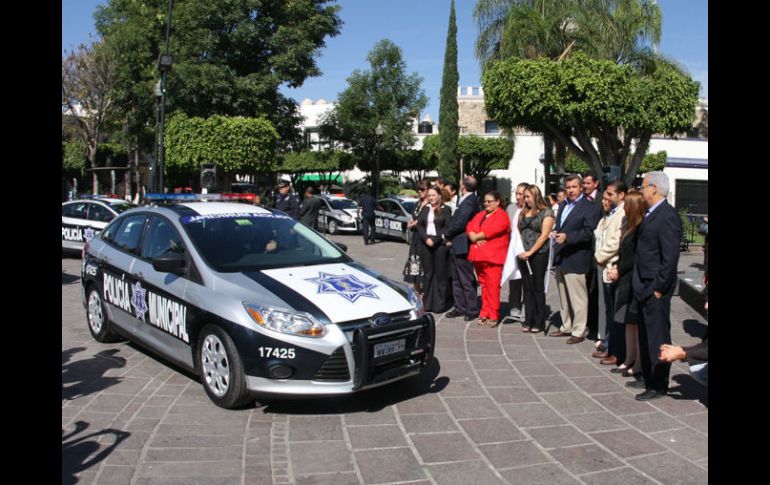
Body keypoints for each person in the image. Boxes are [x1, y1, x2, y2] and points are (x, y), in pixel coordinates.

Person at [627, 171, 682, 401]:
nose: (641, 190)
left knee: (657, 335)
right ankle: (647, 376)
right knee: (645, 335)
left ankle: (658, 384)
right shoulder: (650, 213)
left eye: (643, 186)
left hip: (654, 288)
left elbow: (669, 258)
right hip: (642, 285)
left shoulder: (667, 216)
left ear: (654, 189)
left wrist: (659, 287)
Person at [550, 174, 603, 344]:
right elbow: (561, 226)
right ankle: (567, 326)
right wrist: (555, 233)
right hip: (562, 256)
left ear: (581, 187)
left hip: (577, 257)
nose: (571, 190)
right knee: (564, 295)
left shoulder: (589, 207)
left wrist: (568, 237)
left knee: (578, 297)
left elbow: (589, 232)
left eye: (574, 187)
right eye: (568, 187)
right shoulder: (563, 205)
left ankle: (579, 330)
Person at [607, 191, 645, 379]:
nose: (625, 208)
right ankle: (629, 358)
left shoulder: (640, 227)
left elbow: (635, 256)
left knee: (635, 323)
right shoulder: (626, 224)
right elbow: (623, 252)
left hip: (632, 278)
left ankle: (638, 362)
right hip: (623, 277)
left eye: (628, 204)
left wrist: (619, 269)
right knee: (627, 322)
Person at [593, 181, 627, 366]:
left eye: (610, 194)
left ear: (621, 195)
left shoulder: (623, 213)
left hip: (612, 266)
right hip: (605, 267)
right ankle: (610, 346)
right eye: (605, 194)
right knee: (608, 310)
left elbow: (616, 241)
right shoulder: (611, 213)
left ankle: (616, 351)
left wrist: (599, 256)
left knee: (615, 312)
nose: (606, 197)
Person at [467, 190, 511, 327]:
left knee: (492, 287)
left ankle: (493, 314)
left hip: (493, 257)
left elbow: (494, 230)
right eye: (485, 201)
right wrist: (472, 235)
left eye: (489, 201)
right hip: (478, 256)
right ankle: (484, 312)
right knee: (484, 286)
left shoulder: (502, 216)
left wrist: (477, 236)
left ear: (498, 202)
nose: (486, 204)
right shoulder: (481, 214)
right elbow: (469, 225)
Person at [516, 185, 555, 333]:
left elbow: (544, 235)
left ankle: (539, 321)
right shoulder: (523, 212)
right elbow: (520, 230)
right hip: (523, 254)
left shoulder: (547, 213)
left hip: (538, 254)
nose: (525, 200)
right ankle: (528, 318)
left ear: (536, 196)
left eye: (528, 197)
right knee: (527, 287)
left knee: (538, 286)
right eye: (524, 197)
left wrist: (531, 251)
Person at [442, 176, 480, 321]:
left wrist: (446, 234)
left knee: (466, 278)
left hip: (463, 243)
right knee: (456, 278)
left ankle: (471, 308)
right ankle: (460, 306)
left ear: (463, 186)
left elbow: (460, 222)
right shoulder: (465, 200)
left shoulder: (469, 201)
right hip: (457, 243)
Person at [416, 187, 453, 313]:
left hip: (440, 244)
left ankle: (439, 304)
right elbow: (420, 225)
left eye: (433, 195)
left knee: (440, 275)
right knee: (428, 274)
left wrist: (436, 240)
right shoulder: (425, 209)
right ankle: (428, 303)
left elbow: (447, 227)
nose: (431, 197)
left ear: (439, 196)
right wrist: (426, 239)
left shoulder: (446, 210)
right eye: (429, 195)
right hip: (426, 244)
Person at [582, 171, 602, 349]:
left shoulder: (600, 201)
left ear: (595, 184)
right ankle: (589, 323)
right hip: (585, 252)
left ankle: (596, 327)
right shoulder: (583, 200)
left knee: (596, 291)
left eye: (588, 183)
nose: (585, 186)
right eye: (584, 183)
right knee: (588, 290)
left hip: (598, 251)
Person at [504, 182, 529, 322]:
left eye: (521, 194)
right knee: (514, 279)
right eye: (517, 193)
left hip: (525, 249)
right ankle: (514, 307)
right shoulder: (511, 208)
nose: (518, 197)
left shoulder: (531, 209)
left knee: (526, 279)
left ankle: (527, 308)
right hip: (511, 248)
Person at [403, 182, 430, 296]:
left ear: (428, 190)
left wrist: (417, 223)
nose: (419, 191)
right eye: (418, 189)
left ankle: (425, 289)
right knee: (414, 261)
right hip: (415, 237)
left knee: (424, 263)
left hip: (425, 237)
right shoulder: (417, 203)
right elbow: (413, 218)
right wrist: (411, 223)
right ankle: (417, 288)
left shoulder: (430, 204)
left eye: (422, 189)